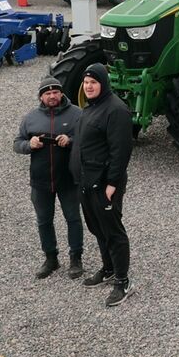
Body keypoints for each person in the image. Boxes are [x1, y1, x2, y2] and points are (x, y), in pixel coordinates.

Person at [70, 64, 134, 307]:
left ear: (103, 83)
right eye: (86, 82)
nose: (88, 86)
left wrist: (112, 183)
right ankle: (108, 269)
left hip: (103, 184)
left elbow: (121, 150)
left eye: (93, 82)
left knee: (113, 232)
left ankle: (123, 281)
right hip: (86, 182)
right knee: (97, 228)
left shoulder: (116, 110)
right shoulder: (91, 107)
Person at [14, 77, 84, 280]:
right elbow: (17, 143)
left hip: (68, 179)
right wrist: (29, 144)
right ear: (41, 97)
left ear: (61, 93)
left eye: (55, 92)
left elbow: (88, 139)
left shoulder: (77, 114)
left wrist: (70, 140)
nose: (52, 96)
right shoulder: (31, 118)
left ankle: (76, 258)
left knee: (73, 219)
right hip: (40, 181)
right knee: (44, 221)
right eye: (47, 93)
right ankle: (51, 258)